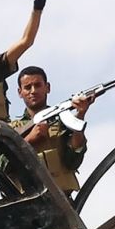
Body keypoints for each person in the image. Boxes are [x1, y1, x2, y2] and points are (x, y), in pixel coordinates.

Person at [14, 65, 94, 194]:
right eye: (27, 87)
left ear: (48, 87)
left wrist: (80, 115)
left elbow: (73, 161)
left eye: (38, 85)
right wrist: (29, 140)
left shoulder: (62, 122)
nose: (33, 91)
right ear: (20, 92)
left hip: (62, 199)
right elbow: (1, 164)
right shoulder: (13, 129)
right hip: (29, 203)